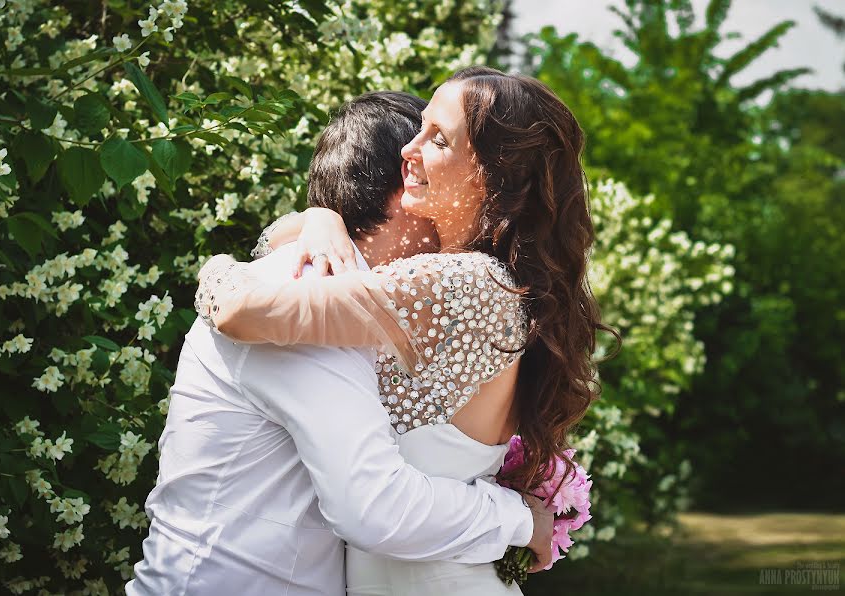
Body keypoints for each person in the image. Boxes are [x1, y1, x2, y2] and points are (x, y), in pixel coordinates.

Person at [198, 66, 620, 595]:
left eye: (437, 139)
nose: (409, 150)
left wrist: (211, 268)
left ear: (495, 175)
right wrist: (319, 217)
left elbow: (241, 311)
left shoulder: (460, 285)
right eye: (419, 128)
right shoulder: (492, 284)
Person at [128, 91, 555, 596]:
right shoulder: (315, 294)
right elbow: (374, 507)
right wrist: (518, 517)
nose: (446, 231)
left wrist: (315, 217)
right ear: (404, 193)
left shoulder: (360, 301)